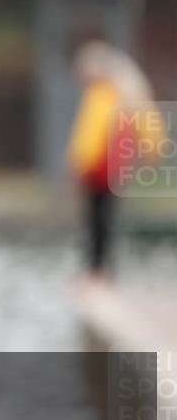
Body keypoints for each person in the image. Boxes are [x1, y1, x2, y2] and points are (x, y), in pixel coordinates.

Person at [67, 40, 158, 280]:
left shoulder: (111, 96)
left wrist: (151, 151)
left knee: (101, 220)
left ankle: (99, 269)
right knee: (97, 220)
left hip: (105, 170)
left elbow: (94, 136)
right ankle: (97, 268)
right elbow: (87, 136)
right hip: (98, 170)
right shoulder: (101, 95)